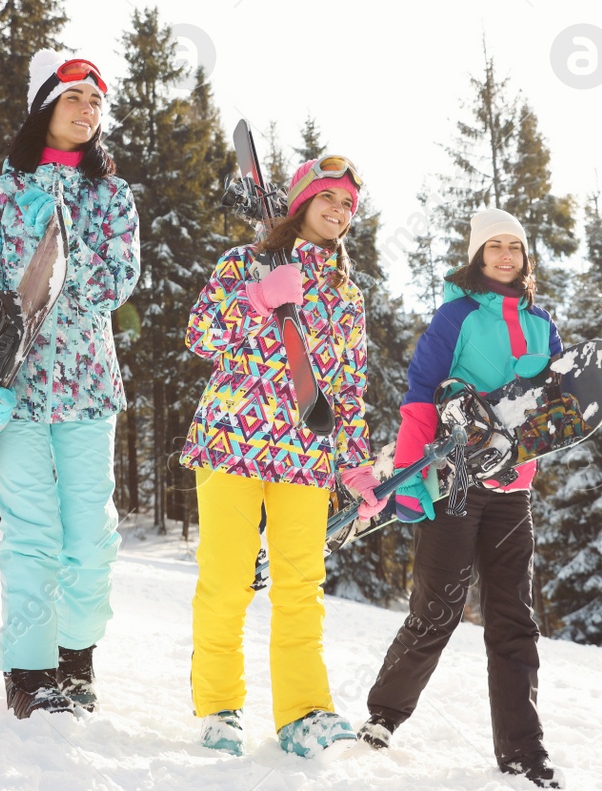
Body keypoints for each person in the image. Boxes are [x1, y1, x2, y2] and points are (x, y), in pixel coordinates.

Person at [0, 49, 140, 719]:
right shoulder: (2, 193)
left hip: (90, 388)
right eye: (74, 100)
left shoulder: (111, 196)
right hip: (17, 387)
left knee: (89, 534)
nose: (88, 112)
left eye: (96, 103)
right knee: (30, 529)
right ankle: (29, 671)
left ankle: (76, 656)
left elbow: (115, 284)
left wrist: (61, 240)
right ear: (44, 109)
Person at [357, 208, 564, 788]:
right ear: (477, 256)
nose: (505, 256)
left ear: (525, 258)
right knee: (438, 608)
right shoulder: (455, 317)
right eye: (493, 247)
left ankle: (524, 753)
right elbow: (420, 396)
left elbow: (554, 411)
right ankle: (384, 715)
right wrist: (407, 480)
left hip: (511, 492)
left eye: (514, 247)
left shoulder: (544, 324)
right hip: (450, 483)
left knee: (514, 622)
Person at [181, 153, 373, 757]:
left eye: (348, 204)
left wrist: (356, 463)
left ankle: (304, 713)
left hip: (306, 454)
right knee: (227, 582)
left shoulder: (347, 294)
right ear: (300, 201)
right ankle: (219, 709)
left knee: (300, 586)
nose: (338, 212)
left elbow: (348, 387)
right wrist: (258, 297)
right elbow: (200, 335)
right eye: (328, 197)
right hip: (231, 441)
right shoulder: (246, 263)